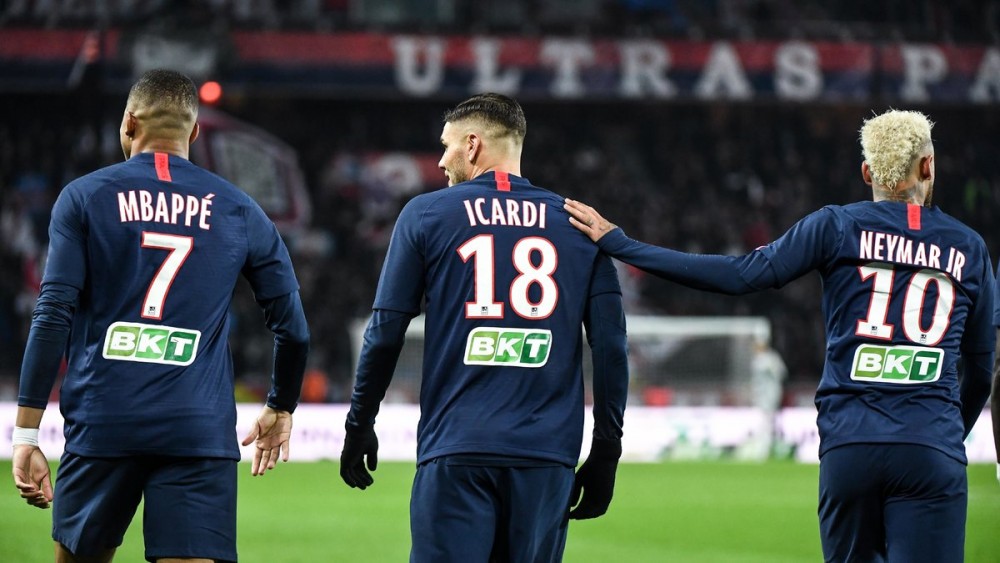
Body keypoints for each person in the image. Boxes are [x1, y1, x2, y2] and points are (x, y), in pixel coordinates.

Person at [564, 109, 995, 562]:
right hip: (931, 445)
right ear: (928, 165)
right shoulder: (969, 248)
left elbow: (740, 275)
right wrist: (943, 437)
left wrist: (624, 244)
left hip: (851, 448)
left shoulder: (836, 226)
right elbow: (982, 372)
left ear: (867, 172)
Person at [11, 69, 310, 563]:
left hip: (105, 419)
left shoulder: (84, 197)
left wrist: (26, 434)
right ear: (194, 133)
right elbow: (294, 329)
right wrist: (281, 404)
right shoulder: (240, 209)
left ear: (129, 123)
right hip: (197, 427)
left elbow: (52, 314)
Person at [339, 93, 629, 562]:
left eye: (446, 146)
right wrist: (606, 452)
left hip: (457, 447)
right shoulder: (581, 224)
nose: (440, 161)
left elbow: (386, 330)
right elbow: (611, 347)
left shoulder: (426, 214)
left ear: (472, 145)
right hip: (546, 457)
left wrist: (359, 423)